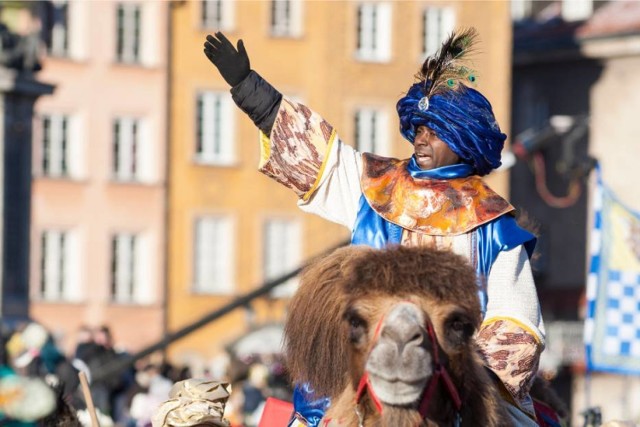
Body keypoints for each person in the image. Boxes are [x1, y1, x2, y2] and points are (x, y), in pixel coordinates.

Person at [203, 29, 545, 426]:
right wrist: (249, 88)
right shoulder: (377, 184)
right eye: (419, 128)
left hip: (453, 379)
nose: (421, 139)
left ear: (463, 141)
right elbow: (318, 159)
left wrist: (462, 377)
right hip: (359, 364)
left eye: (435, 132)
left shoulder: (493, 224)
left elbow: (516, 322)